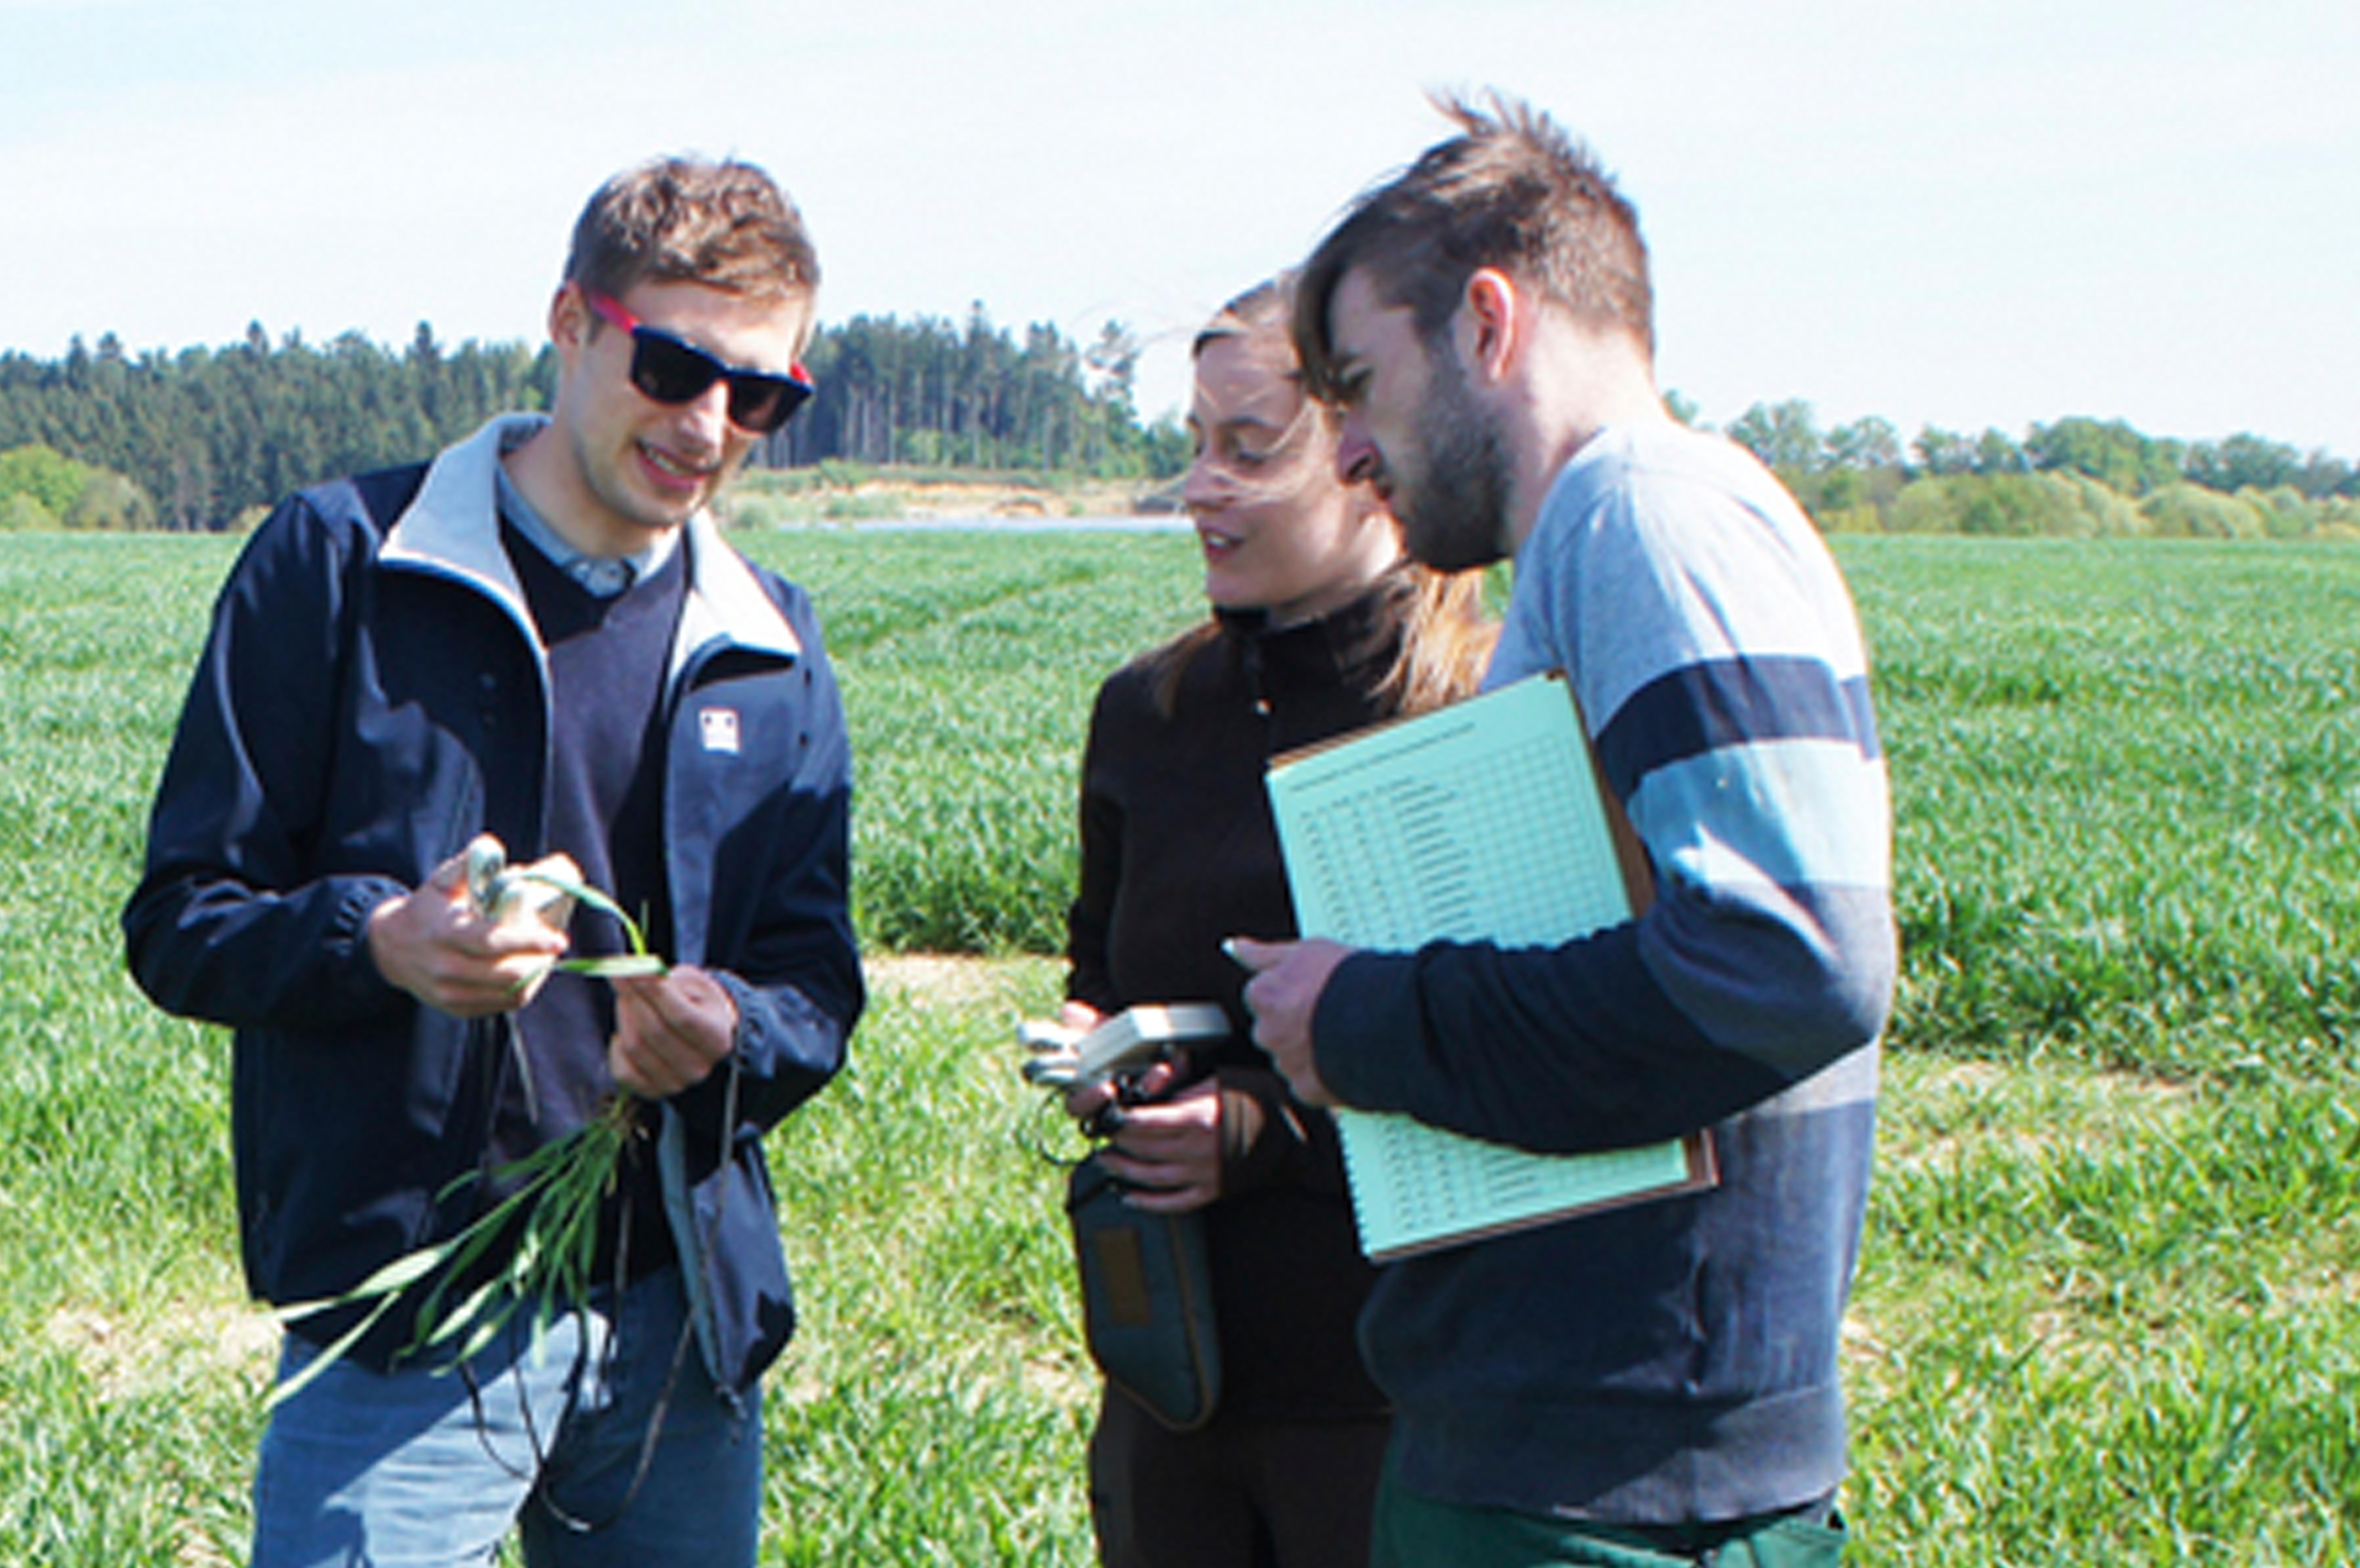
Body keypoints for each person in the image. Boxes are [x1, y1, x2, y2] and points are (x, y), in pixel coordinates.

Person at [121, 155, 862, 1567]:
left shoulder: (772, 642)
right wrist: (377, 945)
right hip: (403, 1321)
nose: (708, 427)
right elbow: (180, 919)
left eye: (761, 395)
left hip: (673, 1326)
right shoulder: (342, 564)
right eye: (674, 367)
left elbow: (816, 985)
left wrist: (731, 1032)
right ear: (572, 323)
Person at [1231, 94, 1893, 1567]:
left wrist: (1370, 1017)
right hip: (1596, 1458)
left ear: (1486, 322)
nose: (1344, 454)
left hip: (1611, 1493)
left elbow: (1790, 961)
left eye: (1358, 384)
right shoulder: (1630, 531)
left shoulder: (1641, 517)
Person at [1050, 275, 1495, 1568]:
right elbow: (1100, 965)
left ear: (1370, 460)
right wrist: (1103, 1053)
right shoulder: (1149, 714)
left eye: (1250, 449)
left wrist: (1263, 1132)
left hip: (1391, 1392)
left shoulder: (1472, 720)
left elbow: (1521, 1058)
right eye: (1194, 443)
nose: (1201, 486)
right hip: (1169, 1372)